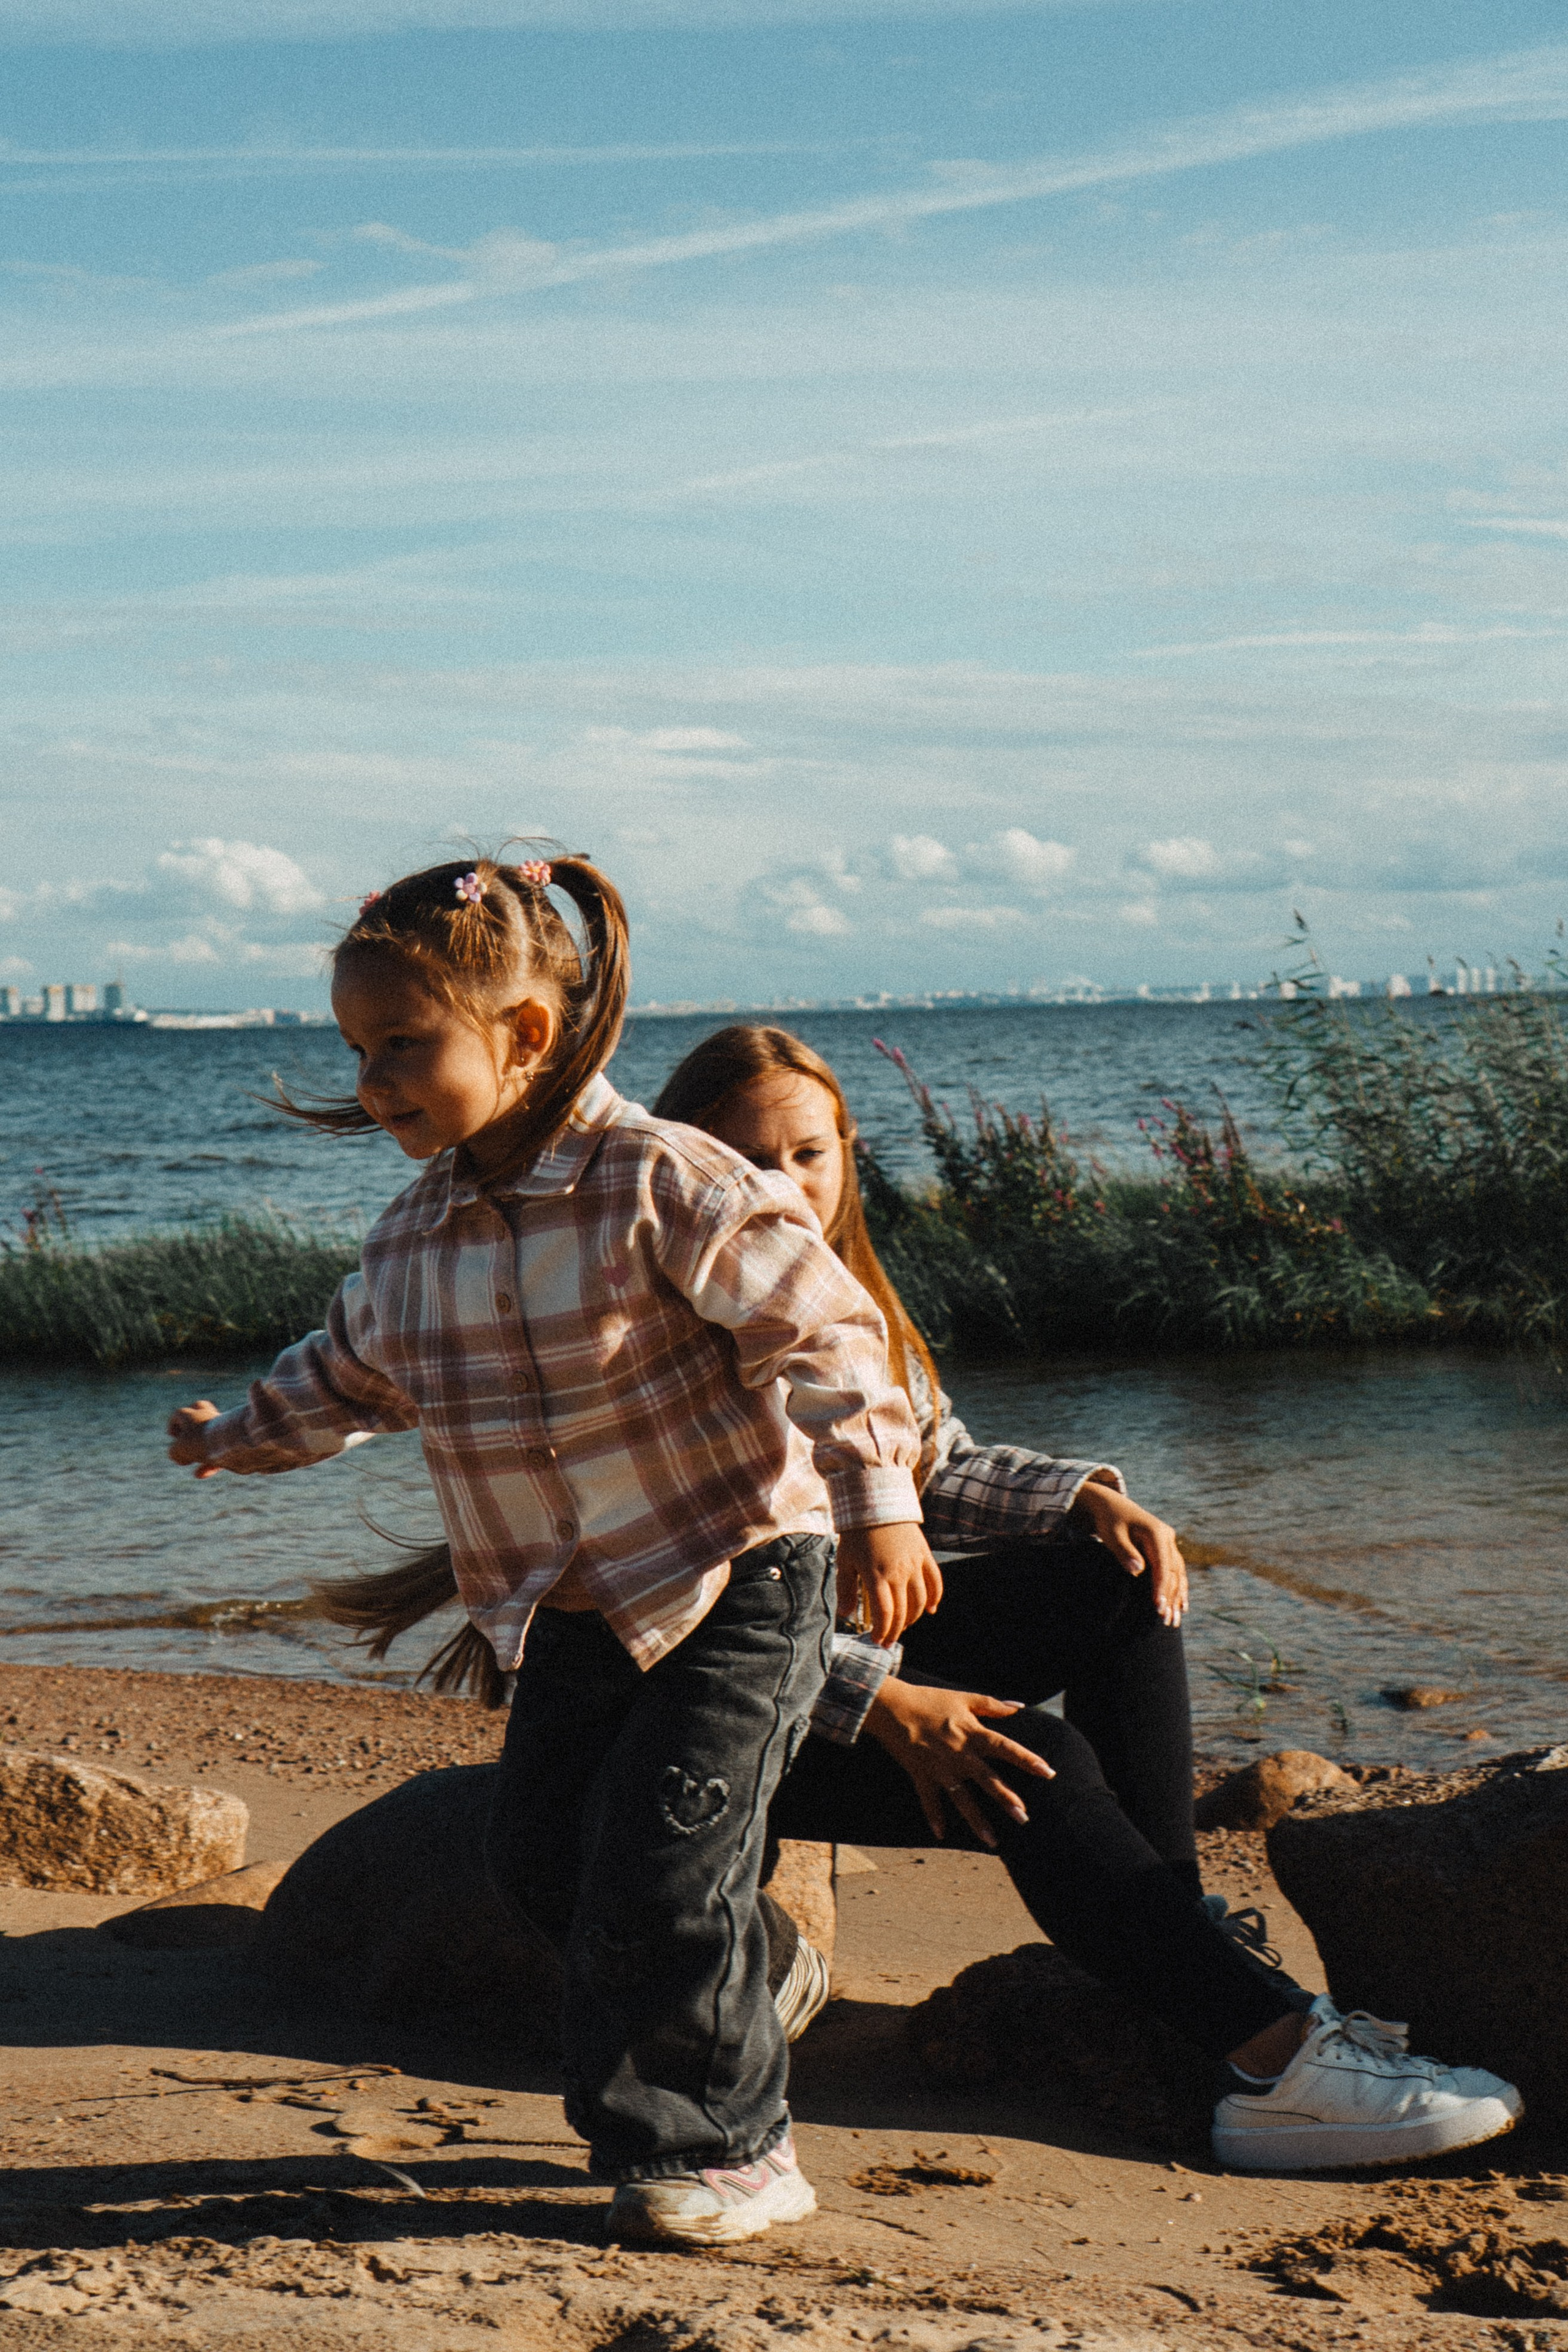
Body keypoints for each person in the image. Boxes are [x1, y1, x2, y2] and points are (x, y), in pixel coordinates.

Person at [165, 853, 944, 2247]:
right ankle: (759, 1973)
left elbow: (824, 1331)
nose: (375, 1079)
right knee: (537, 1862)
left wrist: (879, 1500)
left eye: (405, 1043)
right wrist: (237, 1433)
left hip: (741, 1567)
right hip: (571, 1603)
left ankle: (724, 2149)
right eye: (357, 1050)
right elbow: (350, 1375)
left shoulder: (665, 1179)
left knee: (659, 1858)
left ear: (524, 1033)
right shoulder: (414, 1235)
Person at [648, 1024, 1525, 2174]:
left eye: (808, 1155)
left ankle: (1174, 1945)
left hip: (823, 1658)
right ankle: (1275, 2069)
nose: (783, 1189)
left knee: (1112, 1579)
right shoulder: (653, 1342)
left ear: (848, 1154)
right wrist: (891, 1705)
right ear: (681, 1171)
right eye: (744, 1162)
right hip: (709, 1716)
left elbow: (923, 1468)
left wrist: (1078, 1503)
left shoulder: (846, 1300)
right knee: (1032, 1755)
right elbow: (675, 1597)